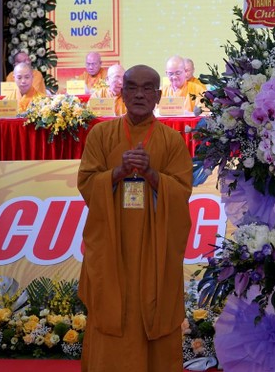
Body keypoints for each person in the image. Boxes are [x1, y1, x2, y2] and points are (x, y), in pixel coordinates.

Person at [77, 64, 193, 372]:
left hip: (155, 247)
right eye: (132, 87)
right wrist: (118, 172)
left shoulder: (172, 140)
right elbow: (87, 183)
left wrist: (152, 175)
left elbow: (181, 192)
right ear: (122, 93)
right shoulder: (101, 135)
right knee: (110, 308)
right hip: (112, 244)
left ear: (158, 95)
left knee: (154, 309)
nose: (139, 94)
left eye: (147, 88)